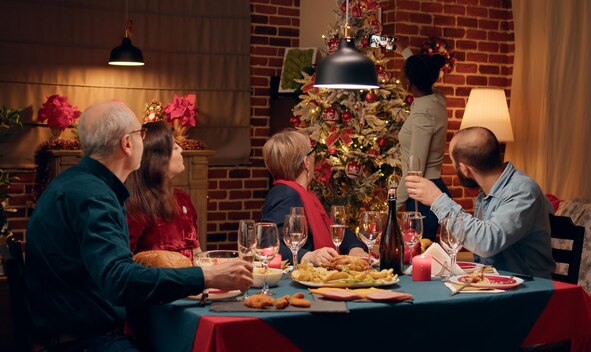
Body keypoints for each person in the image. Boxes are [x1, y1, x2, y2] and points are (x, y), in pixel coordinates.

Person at [24, 101, 253, 351]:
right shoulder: (94, 196)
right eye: (141, 135)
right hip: (87, 342)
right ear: (127, 143)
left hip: (79, 333)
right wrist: (207, 276)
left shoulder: (77, 183)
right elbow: (119, 279)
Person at [405, 127, 555, 278]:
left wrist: (437, 199)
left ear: (464, 169)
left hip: (531, 290)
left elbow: (486, 242)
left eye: (453, 163)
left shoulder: (522, 190)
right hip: (496, 284)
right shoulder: (486, 194)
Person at [260, 129, 368, 266]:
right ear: (306, 162)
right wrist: (309, 256)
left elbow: (334, 230)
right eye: (312, 153)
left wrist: (355, 248)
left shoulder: (305, 195)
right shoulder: (285, 194)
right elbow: (268, 244)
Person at [394, 42, 451, 242]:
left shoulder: (423, 115)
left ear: (408, 83)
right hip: (429, 188)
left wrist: (392, 206)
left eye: (402, 74)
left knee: (418, 254)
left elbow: (414, 170)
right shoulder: (436, 98)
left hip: (423, 195)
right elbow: (419, 69)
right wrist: (403, 50)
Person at [125, 121, 200, 261]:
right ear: (157, 158)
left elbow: (196, 251)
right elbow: (124, 263)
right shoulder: (135, 206)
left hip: (190, 280)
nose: (181, 150)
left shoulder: (183, 199)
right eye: (174, 147)